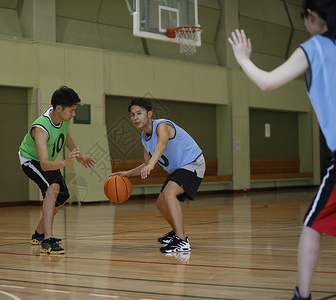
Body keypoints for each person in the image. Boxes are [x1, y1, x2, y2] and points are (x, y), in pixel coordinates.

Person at [228, 1, 336, 299]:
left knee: (312, 224)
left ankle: (303, 295)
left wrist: (243, 59)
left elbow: (267, 82)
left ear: (312, 16)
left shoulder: (315, 47)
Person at [112, 98, 206, 253]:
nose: (135, 118)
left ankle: (182, 240)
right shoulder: (144, 137)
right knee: (161, 202)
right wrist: (127, 173)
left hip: (193, 164)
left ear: (149, 113)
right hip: (179, 169)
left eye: (139, 113)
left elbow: (162, 144)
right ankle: (176, 232)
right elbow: (146, 163)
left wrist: (151, 165)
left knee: (169, 194)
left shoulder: (162, 125)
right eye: (132, 115)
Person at [18, 86, 95, 255]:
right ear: (58, 108)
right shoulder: (40, 128)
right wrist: (65, 162)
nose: (74, 114)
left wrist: (79, 156)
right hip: (31, 161)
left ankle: (38, 234)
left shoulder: (62, 118)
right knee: (52, 189)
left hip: (46, 162)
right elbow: (44, 164)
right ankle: (48, 240)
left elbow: (64, 134)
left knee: (62, 196)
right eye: (72, 110)